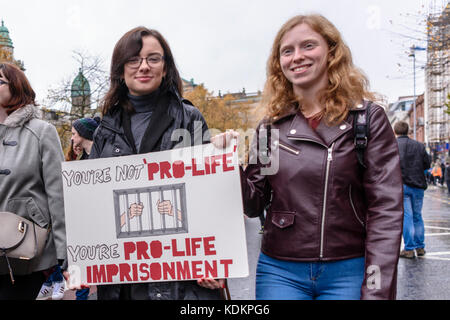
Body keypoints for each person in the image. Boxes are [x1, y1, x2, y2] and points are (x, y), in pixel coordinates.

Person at [213, 14, 403, 300]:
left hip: (349, 269)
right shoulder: (270, 126)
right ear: (279, 64)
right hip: (280, 271)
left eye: (308, 46)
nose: (297, 57)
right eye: (287, 51)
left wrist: (377, 288)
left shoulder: (366, 118)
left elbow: (385, 211)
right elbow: (253, 204)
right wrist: (227, 164)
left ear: (332, 52)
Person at [89, 26, 224, 300]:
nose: (143, 67)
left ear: (165, 68)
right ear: (120, 69)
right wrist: (78, 263)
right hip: (121, 281)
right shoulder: (105, 127)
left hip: (179, 281)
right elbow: (92, 203)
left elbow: (210, 198)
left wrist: (217, 259)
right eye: (133, 59)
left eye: (153, 58)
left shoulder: (190, 118)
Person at [0, 62, 68, 299]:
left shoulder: (41, 131)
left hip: (27, 252)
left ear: (17, 88)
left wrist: (65, 254)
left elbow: (59, 195)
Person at [394, 121, 431, 259]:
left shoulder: (393, 146)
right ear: (408, 131)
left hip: (401, 185)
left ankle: (409, 249)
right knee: (417, 216)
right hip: (418, 185)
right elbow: (427, 163)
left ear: (395, 131)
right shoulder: (419, 146)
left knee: (407, 216)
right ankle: (420, 246)